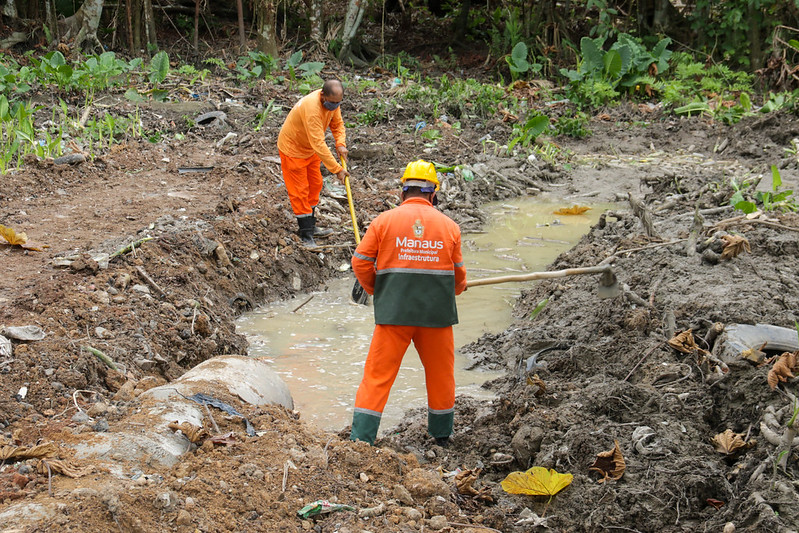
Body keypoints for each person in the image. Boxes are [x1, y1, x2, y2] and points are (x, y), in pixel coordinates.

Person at [349, 160, 467, 446]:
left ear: (403, 191)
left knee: (377, 377)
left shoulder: (383, 221)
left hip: (394, 316)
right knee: (441, 376)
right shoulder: (449, 227)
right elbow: (459, 278)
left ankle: (362, 440)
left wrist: (378, 290)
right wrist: (457, 288)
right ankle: (441, 436)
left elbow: (360, 262)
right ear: (433, 194)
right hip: (436, 317)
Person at [277, 79, 350, 247]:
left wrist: (340, 143)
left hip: (310, 149)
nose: (334, 106)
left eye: (338, 103)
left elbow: (337, 124)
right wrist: (337, 169)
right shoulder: (312, 109)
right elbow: (319, 143)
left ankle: (311, 225)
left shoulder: (333, 103)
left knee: (315, 184)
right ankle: (306, 234)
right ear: (322, 95)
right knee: (300, 191)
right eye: (332, 103)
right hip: (293, 150)